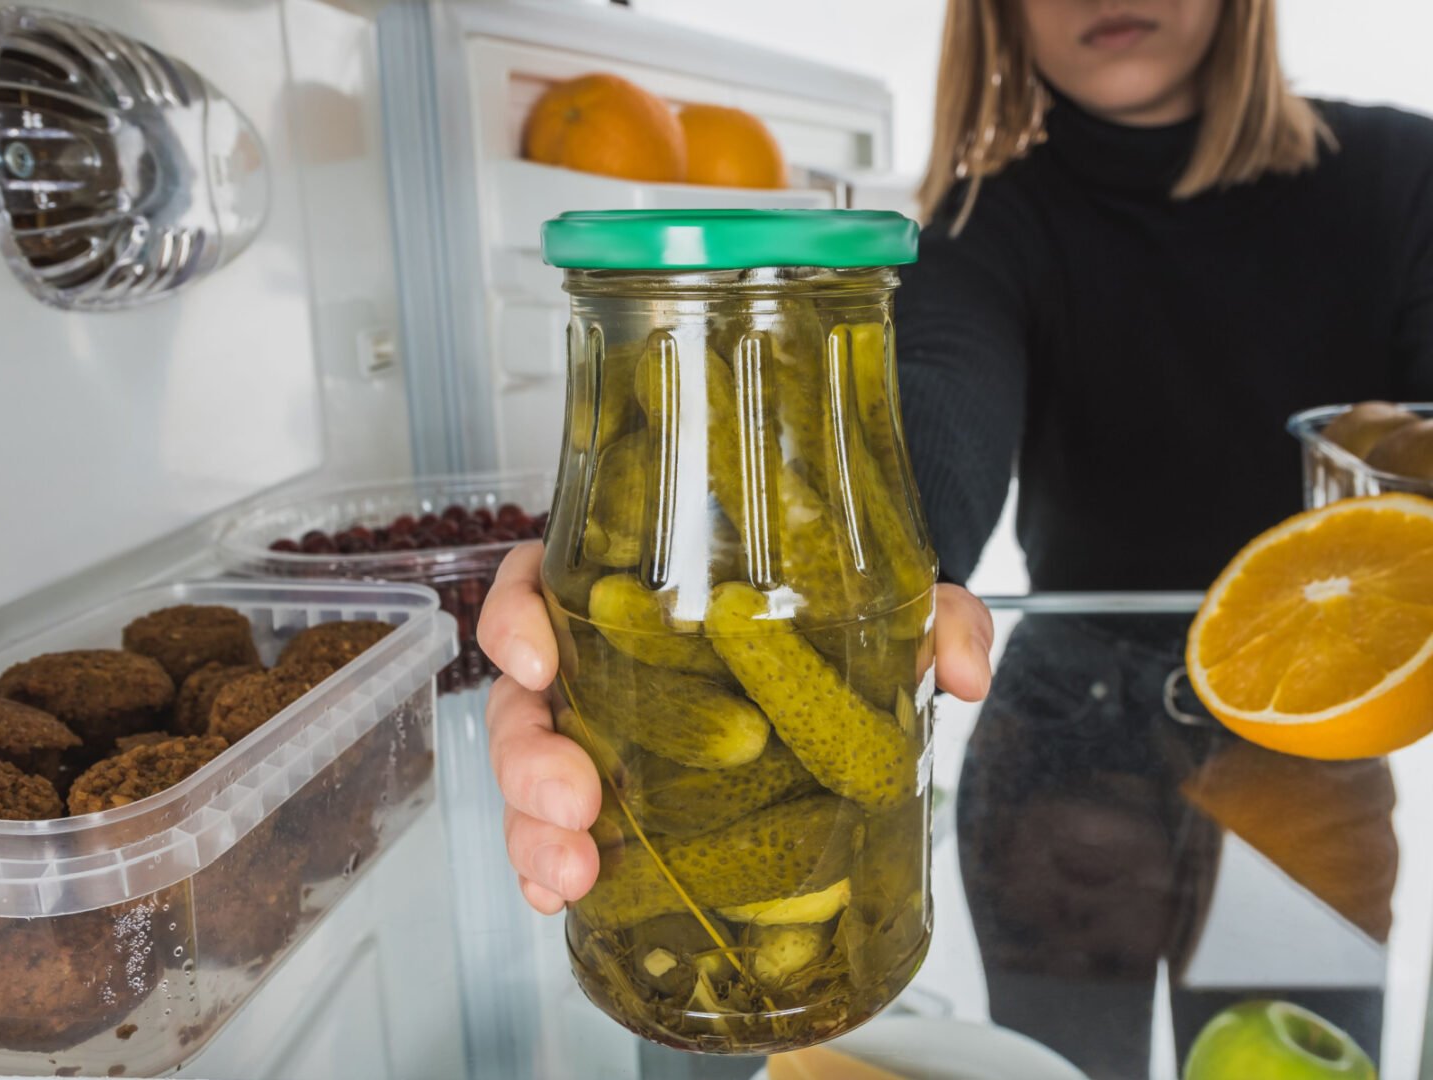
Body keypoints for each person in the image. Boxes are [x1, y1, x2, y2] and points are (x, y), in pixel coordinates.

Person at [478, 0, 1433, 993]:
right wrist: (651, 613)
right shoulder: (986, 217)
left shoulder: (1404, 177)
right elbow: (941, 413)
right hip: (1068, 744)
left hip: (1320, 740)